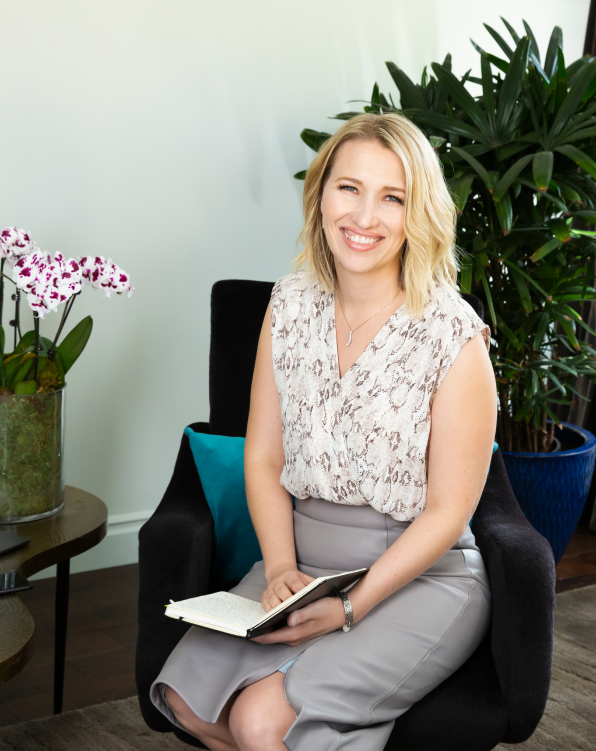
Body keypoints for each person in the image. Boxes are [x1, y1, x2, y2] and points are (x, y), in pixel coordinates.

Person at [150, 112, 497, 751]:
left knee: (259, 721)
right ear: (320, 194)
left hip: (419, 576)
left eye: (393, 197)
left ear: (417, 213)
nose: (365, 217)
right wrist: (280, 564)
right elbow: (262, 457)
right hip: (299, 565)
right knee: (181, 700)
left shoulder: (454, 336)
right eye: (350, 188)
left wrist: (350, 608)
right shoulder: (288, 304)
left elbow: (450, 512)